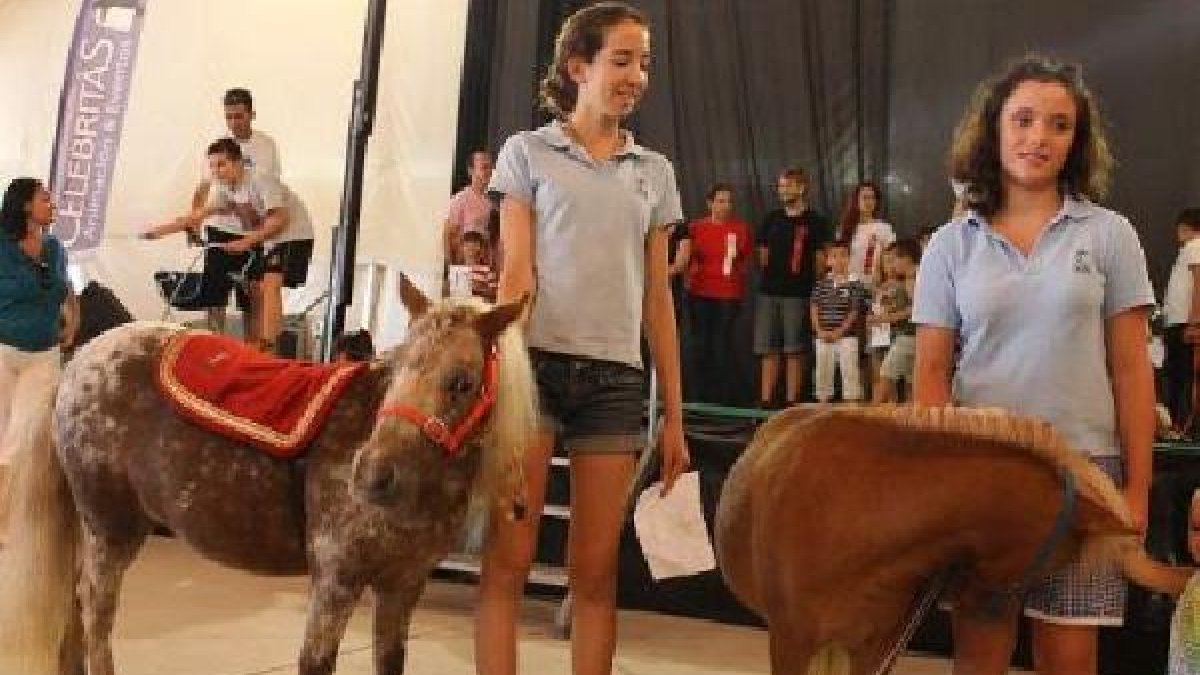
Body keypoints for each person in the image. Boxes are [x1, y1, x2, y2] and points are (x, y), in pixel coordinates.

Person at [913, 55, 1155, 675]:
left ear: (1077, 140)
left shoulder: (1111, 234)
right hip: (982, 475)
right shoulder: (950, 243)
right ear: (993, 128)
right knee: (980, 659)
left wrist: (1136, 491)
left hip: (1086, 478)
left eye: (1058, 124)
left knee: (1070, 662)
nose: (1038, 137)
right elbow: (932, 372)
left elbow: (1132, 370)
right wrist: (939, 484)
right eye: (1023, 119)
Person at [478, 4, 689, 675]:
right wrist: (499, 374)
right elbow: (517, 272)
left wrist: (675, 414)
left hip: (615, 385)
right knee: (508, 561)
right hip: (532, 374)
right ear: (578, 66)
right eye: (621, 60)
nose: (637, 76)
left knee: (595, 575)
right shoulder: (527, 152)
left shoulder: (654, 171)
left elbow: (658, 298)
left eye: (644, 63)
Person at [145, 138, 314, 354]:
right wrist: (160, 231)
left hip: (293, 235)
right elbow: (200, 213)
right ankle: (258, 345)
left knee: (269, 284)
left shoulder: (262, 180)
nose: (216, 171)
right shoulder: (226, 189)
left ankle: (268, 346)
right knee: (257, 287)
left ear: (239, 162)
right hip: (270, 239)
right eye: (212, 166)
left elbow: (279, 220)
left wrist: (246, 241)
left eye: (221, 165)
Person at [0, 178, 79, 452]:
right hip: (4, 351)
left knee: (29, 436)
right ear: (24, 205)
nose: (53, 204)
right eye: (45, 199)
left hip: (45, 353)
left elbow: (65, 285)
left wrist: (74, 319)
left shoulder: (55, 247)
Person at [754, 167, 830, 408]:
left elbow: (820, 259)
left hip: (798, 293)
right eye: (780, 186)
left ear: (801, 188)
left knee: (794, 349)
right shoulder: (772, 219)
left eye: (788, 186)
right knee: (768, 348)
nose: (783, 190)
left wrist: (811, 284)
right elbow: (762, 254)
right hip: (769, 291)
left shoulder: (815, 221)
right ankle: (766, 402)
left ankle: (791, 402)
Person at [675, 183, 751, 403]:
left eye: (729, 201)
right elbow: (686, 257)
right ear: (710, 203)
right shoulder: (696, 228)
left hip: (728, 294)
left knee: (721, 344)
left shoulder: (740, 228)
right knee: (700, 344)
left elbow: (745, 261)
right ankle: (699, 397)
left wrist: (733, 280)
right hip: (699, 293)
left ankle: (723, 398)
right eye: (721, 201)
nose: (726, 206)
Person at [809, 240, 867, 403]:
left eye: (843, 255)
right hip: (823, 335)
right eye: (834, 256)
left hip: (847, 336)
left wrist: (840, 331)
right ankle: (823, 403)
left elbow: (854, 311)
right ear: (828, 260)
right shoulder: (821, 284)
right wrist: (819, 330)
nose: (839, 260)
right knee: (823, 371)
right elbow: (814, 307)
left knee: (849, 370)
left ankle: (851, 405)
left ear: (849, 258)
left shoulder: (854, 284)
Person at [1163, 207, 1200, 434]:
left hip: (1186, 324)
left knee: (1185, 377)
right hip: (1178, 323)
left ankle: (1185, 427)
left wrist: (1195, 323)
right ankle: (1178, 425)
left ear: (1185, 227)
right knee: (1177, 376)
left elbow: (1199, 284)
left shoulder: (1196, 246)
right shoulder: (1188, 249)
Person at [871, 238, 920, 403]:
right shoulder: (911, 278)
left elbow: (915, 309)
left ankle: (872, 414)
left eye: (895, 259)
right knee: (911, 382)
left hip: (910, 336)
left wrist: (886, 318)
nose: (892, 264)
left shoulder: (915, 278)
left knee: (886, 374)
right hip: (915, 337)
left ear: (907, 258)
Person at [836, 181, 895, 288]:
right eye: (865, 197)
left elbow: (890, 260)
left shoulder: (884, 228)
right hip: (847, 284)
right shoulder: (844, 228)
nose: (869, 202)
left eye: (872, 198)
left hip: (873, 285)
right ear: (856, 200)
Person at [445, 150, 495, 266]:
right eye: (484, 167)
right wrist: (452, 267)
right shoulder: (460, 199)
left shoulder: (491, 203)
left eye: (491, 168)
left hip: (483, 268)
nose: (489, 172)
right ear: (471, 171)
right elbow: (448, 235)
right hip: (463, 268)